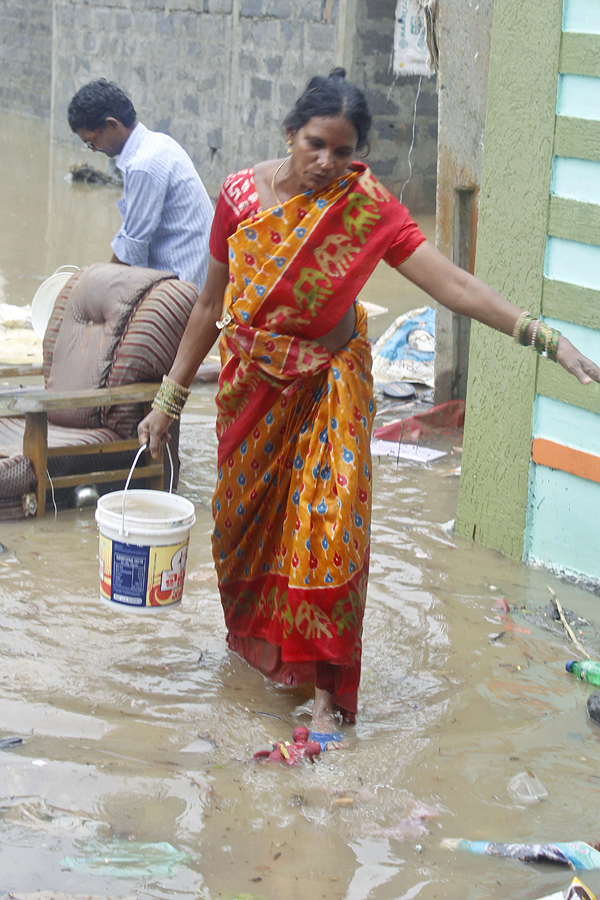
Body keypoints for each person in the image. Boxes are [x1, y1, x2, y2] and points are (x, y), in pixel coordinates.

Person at [138, 69, 600, 737]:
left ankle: (326, 699)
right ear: (290, 132)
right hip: (253, 391)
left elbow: (453, 284)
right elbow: (210, 305)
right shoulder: (239, 196)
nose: (328, 164)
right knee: (246, 537)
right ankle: (269, 661)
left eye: (344, 152)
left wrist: (543, 337)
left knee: (326, 537)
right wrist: (169, 400)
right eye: (317, 145)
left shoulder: (366, 207)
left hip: (331, 387)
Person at [68, 79, 213, 290]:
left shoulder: (143, 164)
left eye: (92, 142)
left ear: (112, 125)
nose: (92, 149)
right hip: (188, 275)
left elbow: (132, 245)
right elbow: (130, 235)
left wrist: (98, 289)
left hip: (182, 285)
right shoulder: (156, 143)